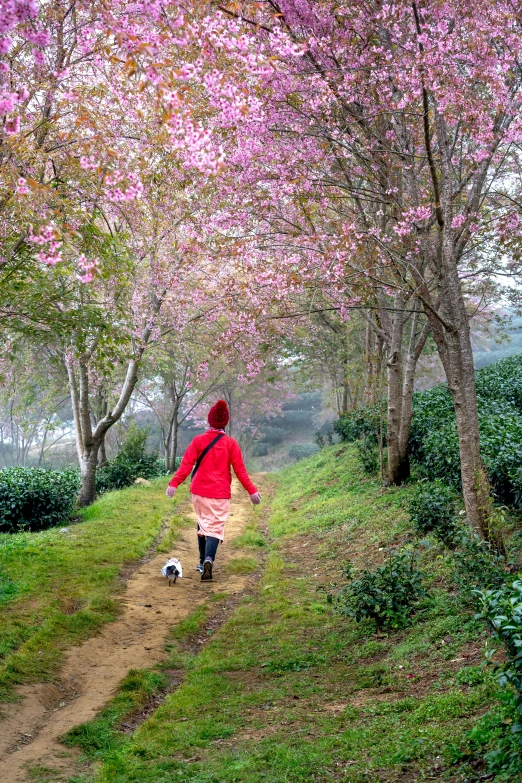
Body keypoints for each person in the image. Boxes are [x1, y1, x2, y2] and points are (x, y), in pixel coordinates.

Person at [166, 399, 261, 581]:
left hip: (199, 492)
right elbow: (240, 470)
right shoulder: (231, 444)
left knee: (203, 523)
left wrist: (174, 483)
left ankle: (202, 562)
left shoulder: (198, 440)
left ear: (209, 420)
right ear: (225, 422)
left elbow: (186, 464)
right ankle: (209, 559)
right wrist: (252, 491)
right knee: (214, 528)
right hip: (220, 493)